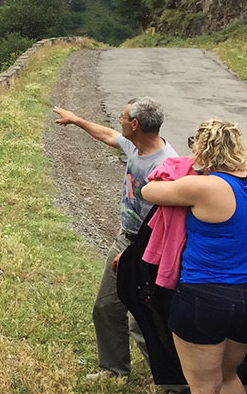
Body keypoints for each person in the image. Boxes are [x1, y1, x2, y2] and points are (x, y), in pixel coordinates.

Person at [141, 119, 247, 394]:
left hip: (204, 299)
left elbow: (149, 190)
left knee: (204, 385)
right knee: (228, 377)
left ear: (202, 150)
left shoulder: (203, 187)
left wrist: (196, 163)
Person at [53, 97, 179, 381]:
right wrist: (76, 120)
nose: (119, 122)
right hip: (126, 240)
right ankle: (114, 370)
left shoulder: (166, 166)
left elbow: (167, 224)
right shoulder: (137, 145)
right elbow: (109, 135)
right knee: (107, 307)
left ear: (135, 124)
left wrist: (136, 254)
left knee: (145, 319)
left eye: (123, 117)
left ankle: (175, 381)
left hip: (149, 249)